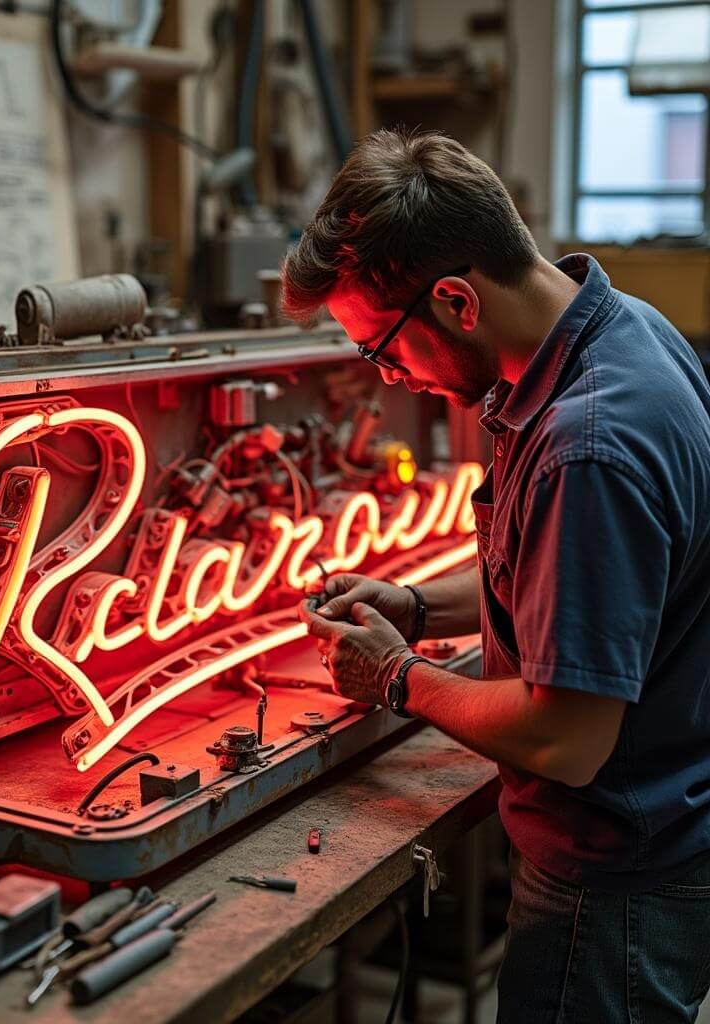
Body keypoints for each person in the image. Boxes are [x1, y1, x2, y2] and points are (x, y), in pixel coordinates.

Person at [284, 128, 710, 1023]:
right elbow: (577, 589)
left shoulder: (587, 445)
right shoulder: (615, 335)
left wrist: (397, 676)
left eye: (379, 347)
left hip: (616, 886)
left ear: (455, 301)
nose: (388, 372)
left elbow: (569, 737)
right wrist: (412, 605)